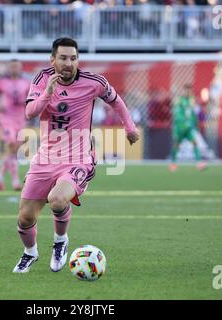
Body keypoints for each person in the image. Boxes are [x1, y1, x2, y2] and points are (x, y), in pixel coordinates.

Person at [12, 37, 140, 273]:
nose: (68, 63)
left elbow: (117, 101)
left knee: (58, 199)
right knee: (25, 218)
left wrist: (130, 128)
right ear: (53, 60)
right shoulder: (42, 79)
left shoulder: (94, 82)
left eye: (73, 58)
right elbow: (30, 112)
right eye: (63, 58)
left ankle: (60, 241)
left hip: (78, 158)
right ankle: (30, 253)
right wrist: (47, 93)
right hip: (46, 158)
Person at [0, 59, 31, 191]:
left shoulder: (26, 83)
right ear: (8, 68)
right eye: (12, 66)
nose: (14, 69)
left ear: (20, 68)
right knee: (11, 145)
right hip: (6, 117)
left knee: (14, 150)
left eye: (17, 66)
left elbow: (31, 99)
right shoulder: (2, 82)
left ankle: (0, 175)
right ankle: (15, 180)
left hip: (20, 118)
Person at [169, 84, 206, 172]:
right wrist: (182, 123)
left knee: (195, 143)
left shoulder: (192, 100)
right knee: (176, 145)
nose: (188, 92)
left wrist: (196, 124)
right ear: (183, 91)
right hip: (180, 128)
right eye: (187, 90)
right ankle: (173, 163)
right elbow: (176, 115)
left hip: (189, 128)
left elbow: (193, 114)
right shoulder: (179, 101)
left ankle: (199, 163)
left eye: (190, 90)